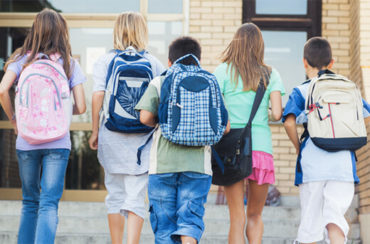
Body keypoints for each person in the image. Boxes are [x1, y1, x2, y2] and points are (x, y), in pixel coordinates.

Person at [0, 9, 86, 244]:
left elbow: (1, 90)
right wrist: (62, 111)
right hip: (58, 142)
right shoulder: (69, 63)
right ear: (61, 33)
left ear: (34, 30)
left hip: (26, 141)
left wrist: (15, 120)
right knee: (49, 203)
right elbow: (82, 106)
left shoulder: (21, 60)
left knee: (30, 202)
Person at [136, 36, 229, 244]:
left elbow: (145, 117)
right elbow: (225, 126)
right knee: (190, 221)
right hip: (198, 166)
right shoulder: (210, 81)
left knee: (164, 225)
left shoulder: (161, 81)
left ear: (170, 61)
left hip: (163, 165)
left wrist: (163, 124)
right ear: (198, 59)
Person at [283, 37, 370, 244]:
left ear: (304, 63)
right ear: (332, 63)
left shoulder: (302, 90)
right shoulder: (349, 88)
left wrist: (298, 148)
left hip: (313, 164)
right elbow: (365, 113)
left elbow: (288, 122)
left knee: (310, 225)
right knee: (335, 221)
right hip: (343, 165)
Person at [88, 12, 164, 244]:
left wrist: (94, 131)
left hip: (111, 135)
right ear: (143, 32)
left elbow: (98, 96)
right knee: (136, 196)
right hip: (142, 142)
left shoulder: (105, 60)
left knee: (115, 195)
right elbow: (160, 101)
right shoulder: (153, 62)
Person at [213, 23, 285, 244]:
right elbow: (277, 115)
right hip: (261, 148)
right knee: (255, 215)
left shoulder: (222, 71)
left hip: (231, 148)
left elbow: (215, 111)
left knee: (237, 218)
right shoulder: (271, 74)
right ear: (259, 46)